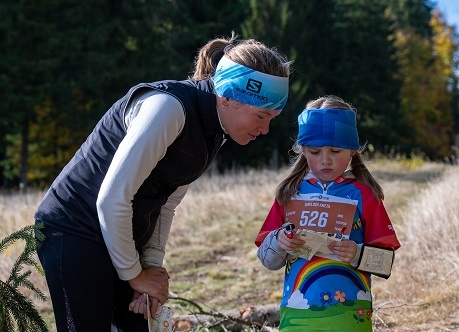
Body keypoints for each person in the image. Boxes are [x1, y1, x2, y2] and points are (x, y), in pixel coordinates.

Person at [34, 32, 292, 332]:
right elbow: (112, 198)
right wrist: (135, 274)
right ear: (228, 97)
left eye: (272, 118)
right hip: (72, 229)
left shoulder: (215, 131)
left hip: (119, 237)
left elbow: (166, 203)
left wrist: (151, 268)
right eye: (262, 116)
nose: (265, 129)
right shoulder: (168, 108)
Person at [255, 95, 401, 331]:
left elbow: (385, 264)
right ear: (302, 150)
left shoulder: (364, 195)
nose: (325, 160)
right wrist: (279, 242)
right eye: (314, 152)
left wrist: (356, 253)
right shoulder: (289, 194)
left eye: (335, 151)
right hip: (297, 312)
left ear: (353, 150)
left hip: (350, 314)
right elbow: (266, 260)